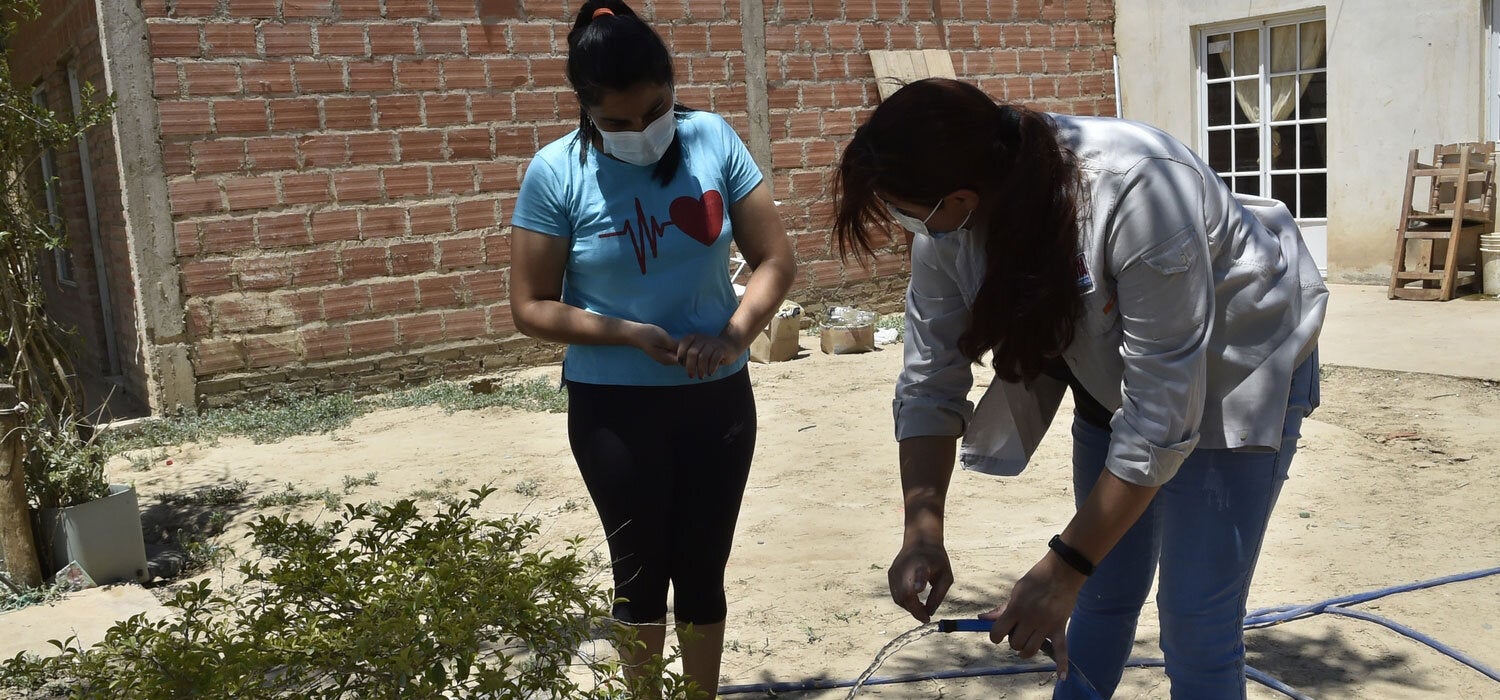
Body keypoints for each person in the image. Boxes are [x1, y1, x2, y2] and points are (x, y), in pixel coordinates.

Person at [830, 78, 1327, 699]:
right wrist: (922, 528)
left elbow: (1161, 417)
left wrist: (1064, 566)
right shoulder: (951, 230)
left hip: (1236, 370)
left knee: (1195, 622)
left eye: (905, 209)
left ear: (960, 196)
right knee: (1101, 593)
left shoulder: (1140, 190)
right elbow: (931, 379)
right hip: (1115, 382)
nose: (905, 225)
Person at [508, 2, 796, 697]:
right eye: (619, 122)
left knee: (702, 570)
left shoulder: (713, 140)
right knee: (639, 576)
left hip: (716, 400)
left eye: (656, 110)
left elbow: (776, 260)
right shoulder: (555, 173)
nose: (642, 131)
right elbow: (530, 306)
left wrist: (734, 335)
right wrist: (626, 334)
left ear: (673, 86)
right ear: (586, 106)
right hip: (614, 409)